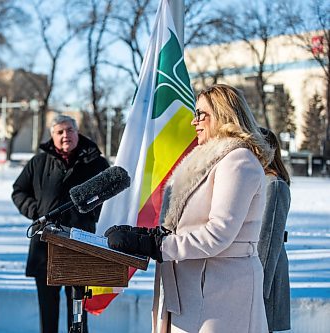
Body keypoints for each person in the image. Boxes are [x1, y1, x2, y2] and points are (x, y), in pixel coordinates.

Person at [105, 84, 273, 333]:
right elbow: (189, 223)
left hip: (220, 291)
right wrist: (151, 236)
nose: (194, 122)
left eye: (200, 114)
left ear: (224, 114)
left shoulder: (238, 161)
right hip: (194, 288)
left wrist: (158, 246)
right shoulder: (210, 159)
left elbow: (218, 233)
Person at [12, 114, 110, 333]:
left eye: (70, 130)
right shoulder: (38, 163)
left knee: (77, 314)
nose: (66, 135)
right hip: (45, 246)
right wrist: (35, 211)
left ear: (78, 132)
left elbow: (111, 199)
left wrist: (94, 215)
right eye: (60, 132)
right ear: (52, 136)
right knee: (48, 312)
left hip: (80, 246)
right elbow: (19, 191)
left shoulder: (96, 162)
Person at [258, 128, 291, 332]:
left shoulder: (274, 185)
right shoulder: (259, 182)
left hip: (266, 278)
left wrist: (257, 291)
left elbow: (268, 241)